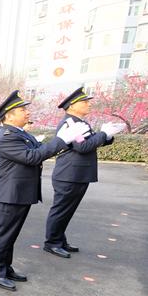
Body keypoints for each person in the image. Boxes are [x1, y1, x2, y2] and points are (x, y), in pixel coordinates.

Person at [0, 90, 89, 291]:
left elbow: (38, 151)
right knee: (3, 235)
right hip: (10, 194)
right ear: (9, 115)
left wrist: (61, 142)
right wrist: (61, 140)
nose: (27, 113)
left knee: (11, 235)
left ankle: (5, 268)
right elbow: (32, 157)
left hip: (20, 193)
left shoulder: (21, 133)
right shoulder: (7, 136)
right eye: (22, 110)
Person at [43, 87, 124, 258]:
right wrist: (103, 133)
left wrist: (107, 136)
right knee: (61, 210)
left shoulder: (80, 122)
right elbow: (83, 146)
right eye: (84, 102)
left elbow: (91, 142)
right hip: (69, 175)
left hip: (77, 175)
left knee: (67, 210)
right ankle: (52, 242)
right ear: (72, 106)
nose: (88, 105)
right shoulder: (70, 124)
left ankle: (59, 239)